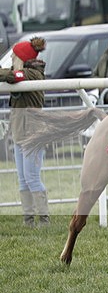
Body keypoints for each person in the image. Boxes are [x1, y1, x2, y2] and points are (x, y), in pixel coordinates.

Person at [0, 38, 50, 226]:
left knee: (32, 178)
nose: (12, 59)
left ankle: (44, 219)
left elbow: (13, 76)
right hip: (20, 134)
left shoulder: (32, 74)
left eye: (15, 56)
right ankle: (28, 219)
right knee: (23, 179)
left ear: (23, 58)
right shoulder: (24, 73)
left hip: (33, 134)